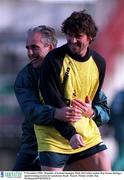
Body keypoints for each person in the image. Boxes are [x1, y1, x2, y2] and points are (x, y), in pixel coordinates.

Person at [13, 25, 110, 171]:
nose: (30, 53)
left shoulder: (76, 68)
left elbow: (104, 110)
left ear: (51, 47)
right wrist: (55, 113)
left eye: (35, 47)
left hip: (79, 142)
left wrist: (92, 112)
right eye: (27, 48)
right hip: (37, 146)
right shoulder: (25, 78)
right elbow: (31, 111)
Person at [109, 90, 124, 171]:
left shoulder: (119, 93)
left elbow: (111, 111)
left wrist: (109, 125)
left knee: (121, 155)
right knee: (122, 157)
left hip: (118, 130)